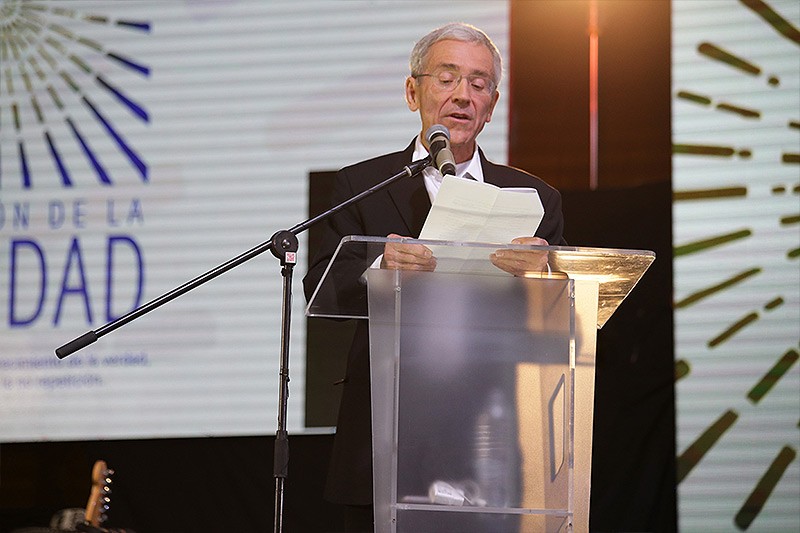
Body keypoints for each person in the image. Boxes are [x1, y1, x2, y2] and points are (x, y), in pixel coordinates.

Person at [303, 22, 566, 531]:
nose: (462, 95)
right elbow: (322, 286)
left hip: (489, 438)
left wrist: (546, 277)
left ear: (491, 105)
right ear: (412, 92)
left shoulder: (535, 199)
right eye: (446, 79)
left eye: (478, 84)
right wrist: (381, 266)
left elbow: (561, 322)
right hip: (385, 435)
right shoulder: (362, 185)